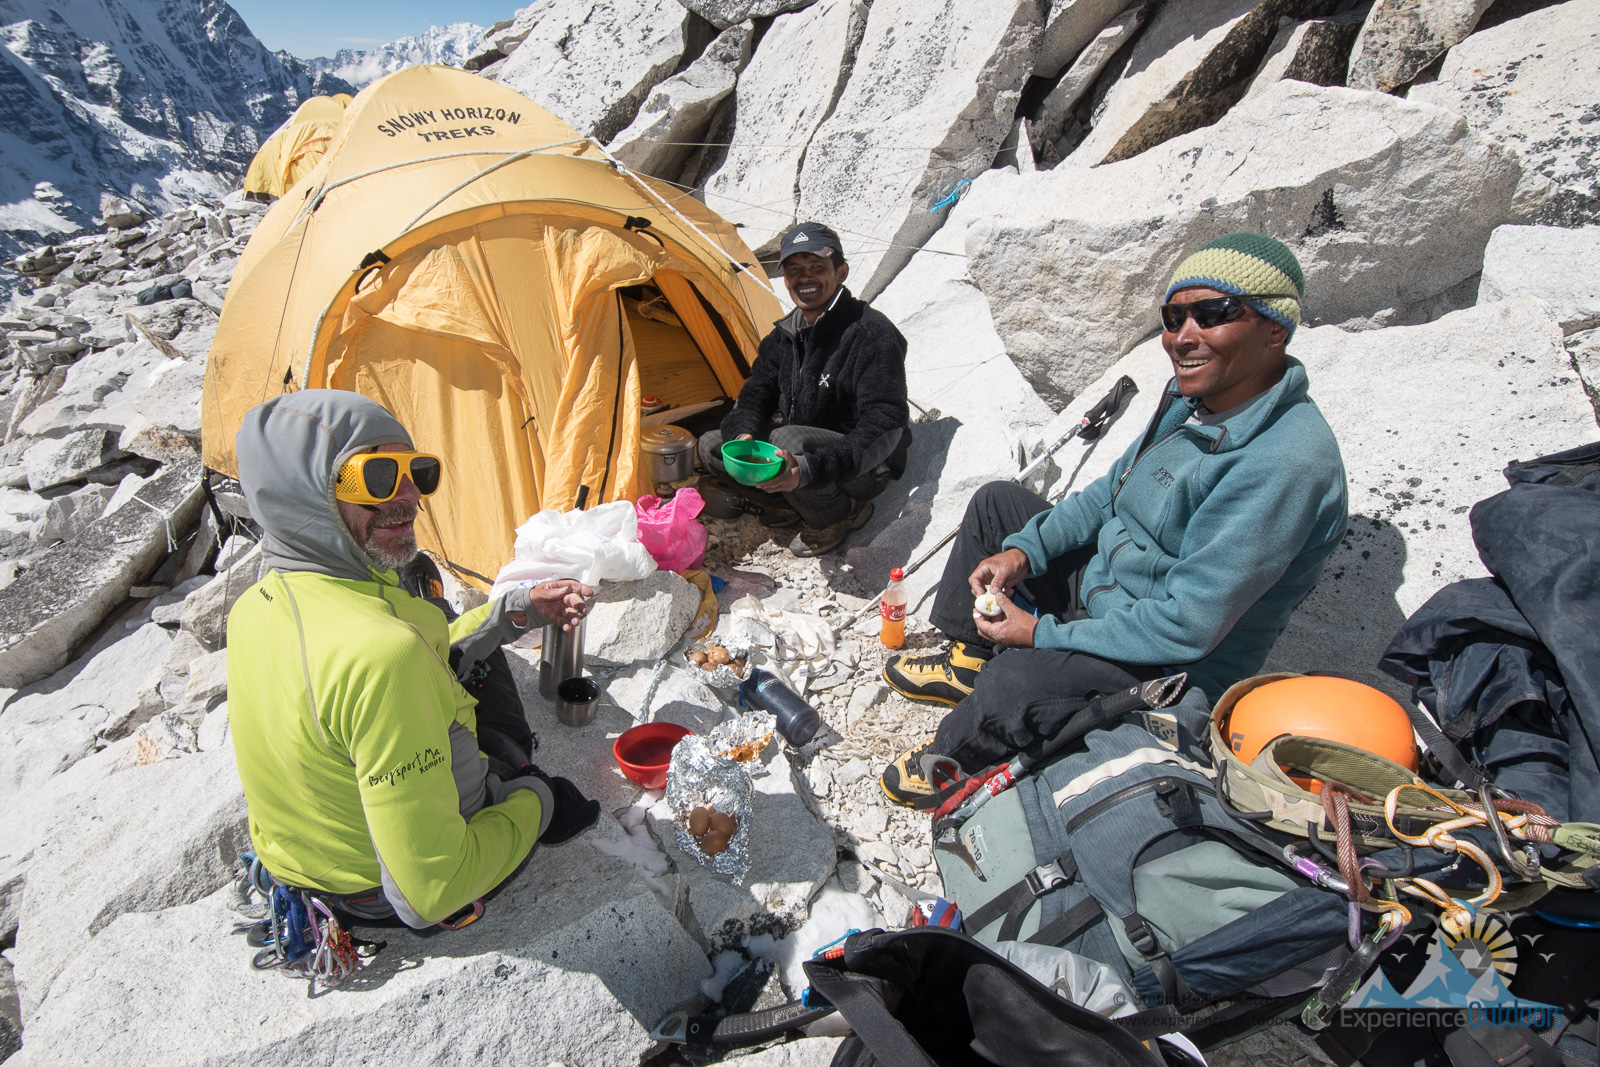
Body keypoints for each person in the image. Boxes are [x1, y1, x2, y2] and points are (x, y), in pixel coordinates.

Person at [878, 232, 1349, 806]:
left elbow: (1186, 627)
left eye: (1214, 313)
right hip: (1108, 590)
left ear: (1276, 328)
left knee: (1018, 680)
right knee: (997, 505)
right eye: (1174, 317)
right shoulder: (1193, 401)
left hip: (1170, 659)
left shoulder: (1284, 464)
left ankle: (956, 760)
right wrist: (1022, 552)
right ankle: (969, 657)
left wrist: (1040, 635)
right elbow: (1109, 495)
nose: (1183, 336)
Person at [227, 390, 600, 930]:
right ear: (304, 494)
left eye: (417, 472)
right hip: (379, 889)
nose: (408, 497)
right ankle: (523, 778)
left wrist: (515, 611)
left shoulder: (254, 608)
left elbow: (415, 655)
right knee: (503, 728)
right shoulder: (386, 656)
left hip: (308, 861)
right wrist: (533, 801)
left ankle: (465, 616)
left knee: (443, 620)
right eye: (376, 476)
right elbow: (431, 892)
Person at [697, 223, 911, 556]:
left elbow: (887, 422)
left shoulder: (871, 333)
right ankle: (789, 504)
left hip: (861, 466)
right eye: (794, 270)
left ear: (840, 272)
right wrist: (743, 436)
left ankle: (839, 514)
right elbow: (756, 392)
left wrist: (812, 469)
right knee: (714, 445)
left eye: (816, 267)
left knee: (787, 441)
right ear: (785, 279)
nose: (804, 278)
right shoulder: (783, 336)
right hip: (806, 452)